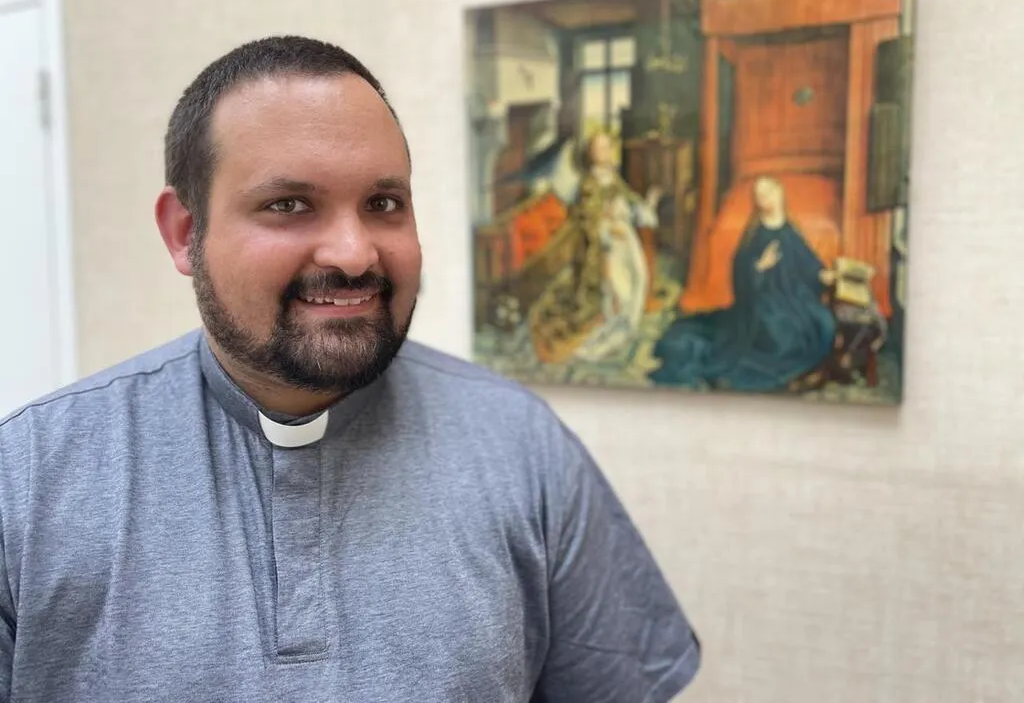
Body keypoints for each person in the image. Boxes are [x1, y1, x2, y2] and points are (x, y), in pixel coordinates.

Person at [0, 36, 700, 702]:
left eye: (383, 204)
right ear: (186, 234)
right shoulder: (28, 480)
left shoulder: (523, 447)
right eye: (289, 205)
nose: (354, 253)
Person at [649, 175, 837, 393]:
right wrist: (760, 267)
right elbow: (741, 272)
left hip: (793, 296)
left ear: (780, 192)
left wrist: (822, 274)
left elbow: (807, 262)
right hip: (762, 302)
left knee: (824, 322)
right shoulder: (756, 234)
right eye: (760, 195)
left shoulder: (789, 229)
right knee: (779, 334)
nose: (766, 198)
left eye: (769, 191)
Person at [529, 131, 661, 365]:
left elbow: (629, 202)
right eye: (600, 148)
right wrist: (609, 232)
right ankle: (611, 329)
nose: (606, 152)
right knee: (617, 289)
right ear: (590, 154)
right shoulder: (588, 184)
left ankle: (626, 325)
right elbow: (590, 221)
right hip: (603, 248)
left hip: (625, 240)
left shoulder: (612, 177)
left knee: (638, 276)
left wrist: (646, 206)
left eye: (607, 147)